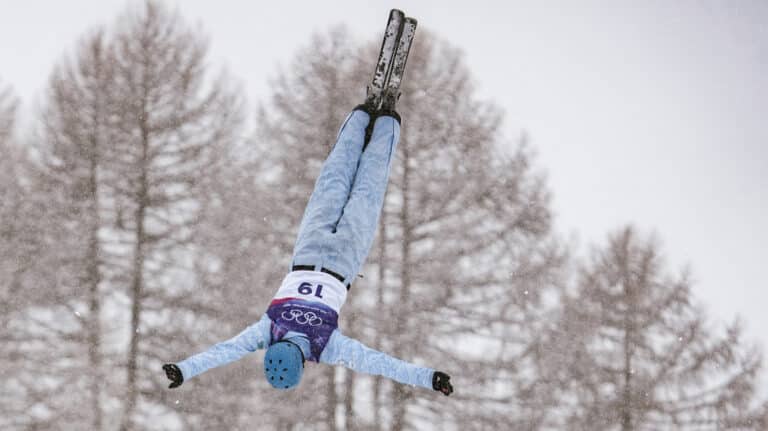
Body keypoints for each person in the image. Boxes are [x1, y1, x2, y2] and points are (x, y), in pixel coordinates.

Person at [162, 92, 454, 397]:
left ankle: (386, 122)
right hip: (309, 250)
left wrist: (430, 378)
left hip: (343, 261)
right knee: (333, 181)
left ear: (302, 365)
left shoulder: (325, 345)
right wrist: (184, 369)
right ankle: (361, 116)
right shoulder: (268, 330)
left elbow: (380, 364)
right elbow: (226, 350)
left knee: (367, 192)